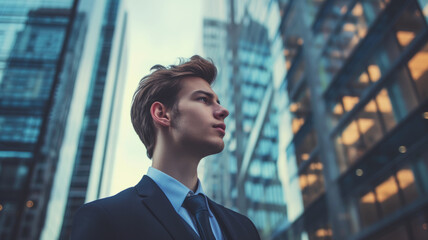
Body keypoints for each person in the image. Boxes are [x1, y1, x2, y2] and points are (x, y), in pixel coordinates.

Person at [71, 55, 261, 240]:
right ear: (162, 114)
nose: (223, 111)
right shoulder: (105, 218)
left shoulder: (244, 228)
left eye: (218, 102)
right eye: (204, 99)